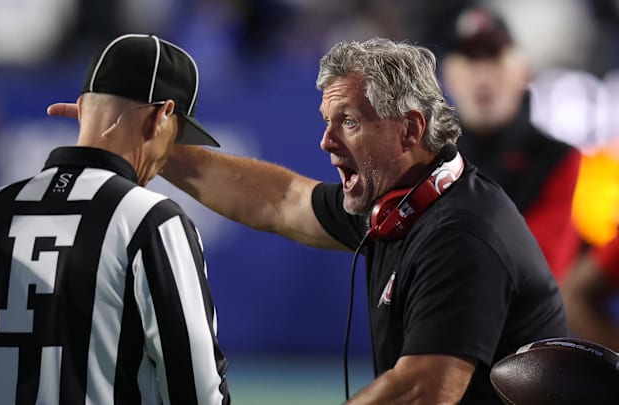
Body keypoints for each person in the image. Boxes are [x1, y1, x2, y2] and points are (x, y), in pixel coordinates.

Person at [47, 36, 569, 404]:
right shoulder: (401, 204)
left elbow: (424, 390)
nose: (326, 142)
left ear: (410, 129)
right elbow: (279, 201)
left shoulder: (462, 234)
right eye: (326, 122)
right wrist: (149, 143)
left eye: (349, 122)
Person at [0, 34, 229, 405]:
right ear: (161, 116)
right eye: (178, 135)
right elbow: (197, 389)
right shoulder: (153, 221)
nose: (172, 153)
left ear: (81, 108)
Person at [440, 4, 582, 282]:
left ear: (522, 72)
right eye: (469, 59)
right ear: (449, 76)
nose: (481, 76)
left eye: (494, 57)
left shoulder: (557, 159)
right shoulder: (427, 155)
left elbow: (539, 271)